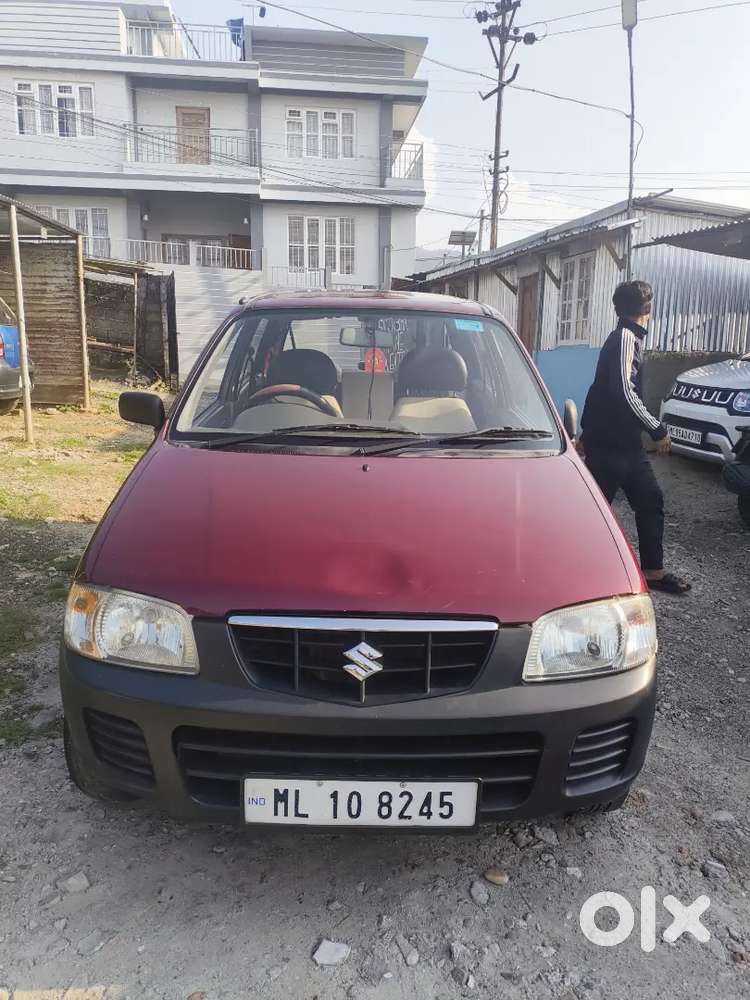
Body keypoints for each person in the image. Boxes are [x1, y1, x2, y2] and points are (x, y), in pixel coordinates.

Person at [579, 280, 691, 595]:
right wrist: (656, 428)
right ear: (647, 309)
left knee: (650, 500)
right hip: (611, 446)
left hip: (626, 446)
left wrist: (585, 431)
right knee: (595, 512)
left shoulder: (623, 339)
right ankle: (580, 573)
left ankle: (653, 571)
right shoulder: (625, 339)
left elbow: (597, 389)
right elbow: (623, 391)